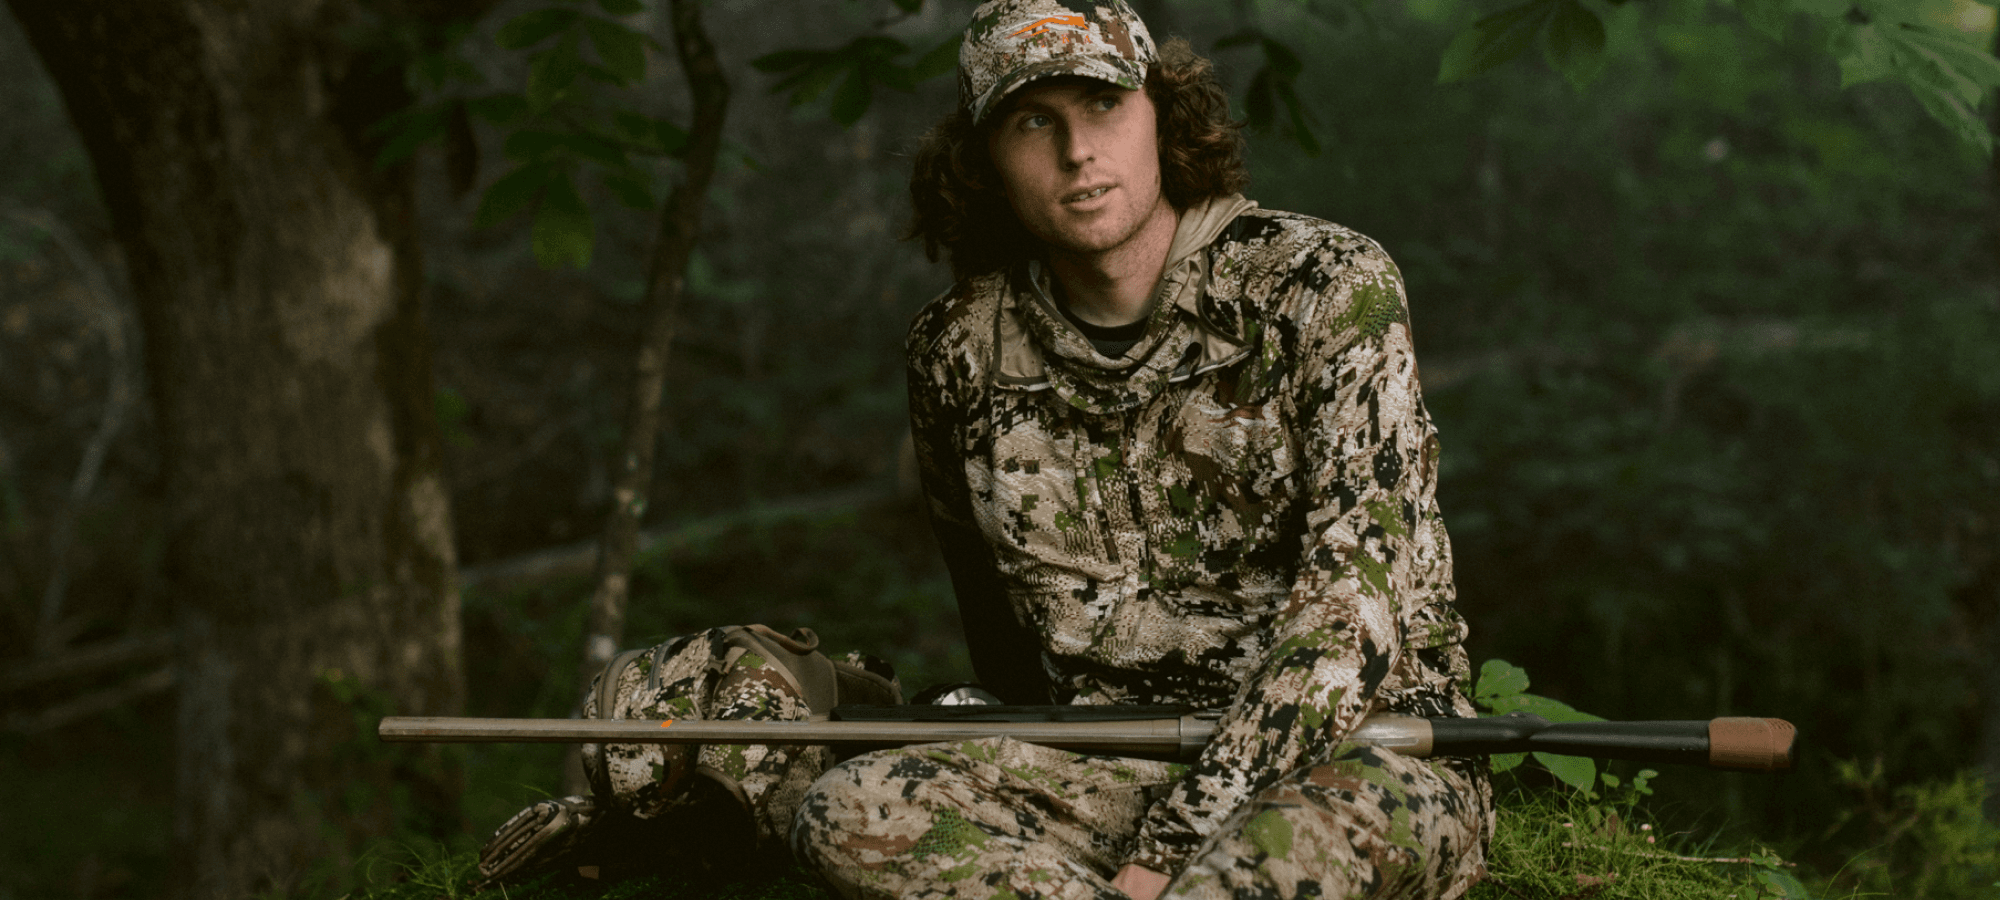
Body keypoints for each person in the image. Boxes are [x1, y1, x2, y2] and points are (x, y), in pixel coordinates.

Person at [787, 2, 1493, 898]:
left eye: (1103, 106)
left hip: (1357, 755)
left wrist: (1164, 856)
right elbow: (998, 636)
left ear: (1164, 110)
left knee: (1268, 865)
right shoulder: (957, 349)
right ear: (982, 161)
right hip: (1108, 761)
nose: (1078, 152)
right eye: (1032, 120)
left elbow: (1351, 622)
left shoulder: (1324, 287)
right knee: (853, 810)